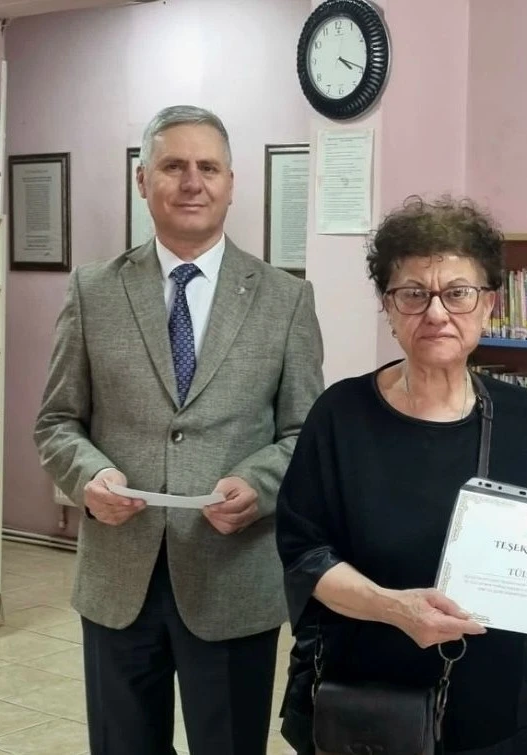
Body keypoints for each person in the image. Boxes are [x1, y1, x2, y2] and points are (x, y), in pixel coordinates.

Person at [33, 104, 325, 755]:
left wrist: (258, 483)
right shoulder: (93, 291)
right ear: (143, 180)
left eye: (208, 168)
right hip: (118, 579)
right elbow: (56, 422)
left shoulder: (285, 299)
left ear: (231, 182)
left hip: (231, 575)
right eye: (173, 166)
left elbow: (305, 433)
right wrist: (90, 478)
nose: (192, 182)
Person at [274, 196, 527, 755]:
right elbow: (304, 555)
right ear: (388, 307)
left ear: (488, 304)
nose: (436, 314)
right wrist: (394, 608)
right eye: (413, 294)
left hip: (506, 706)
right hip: (371, 706)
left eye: (457, 293)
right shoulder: (340, 415)